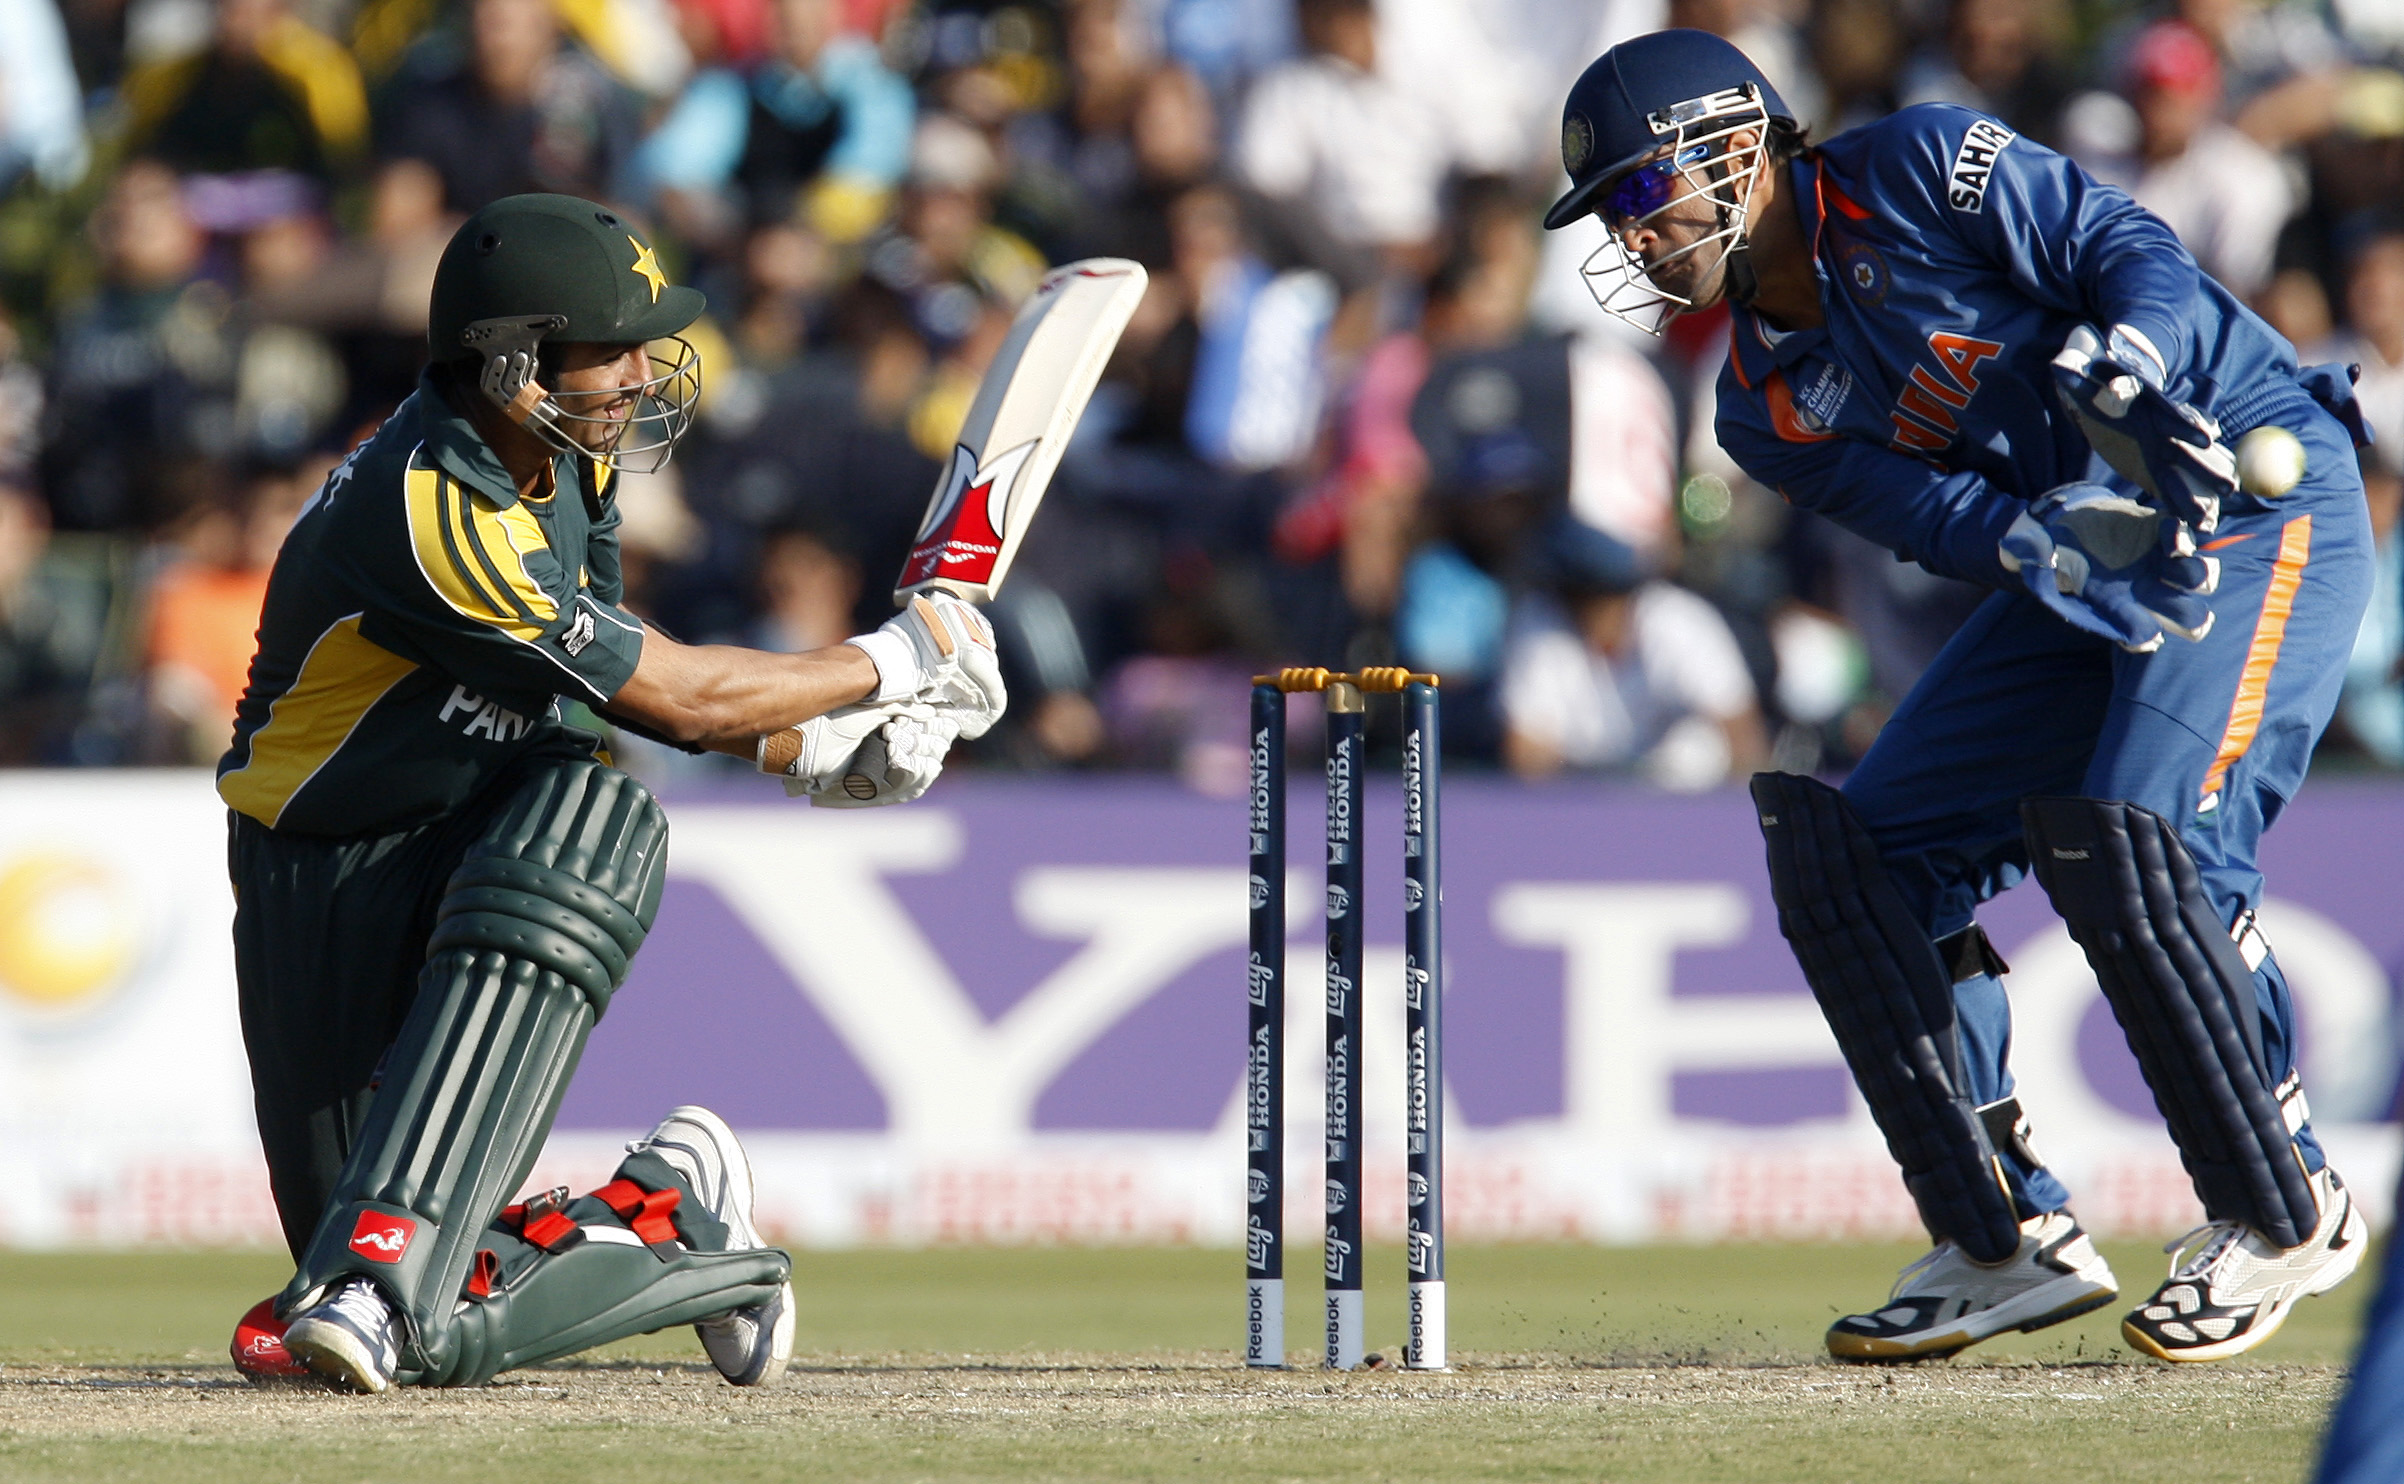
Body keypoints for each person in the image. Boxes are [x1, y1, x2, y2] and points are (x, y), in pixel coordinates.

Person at [1544, 29, 2373, 1363]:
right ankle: (2002, 1239)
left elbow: (2133, 252)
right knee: (1860, 860)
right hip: (2088, 561)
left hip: (2248, 503)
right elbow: (1950, 517)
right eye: (1616, 218)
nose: (1636, 241)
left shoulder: (1921, 163)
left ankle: (2287, 1203)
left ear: (1731, 146)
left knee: (2142, 834)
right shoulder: (1762, 404)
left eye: (1644, 196)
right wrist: (2039, 542)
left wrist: (2126, 361)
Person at [219, 193, 1002, 1392]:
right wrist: (896, 659)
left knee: (596, 816)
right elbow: (680, 700)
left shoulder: (562, 469)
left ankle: (389, 1274)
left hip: (471, 819)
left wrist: (805, 750)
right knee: (392, 1310)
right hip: (316, 867)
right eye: (612, 345)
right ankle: (673, 1217)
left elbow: (597, 685)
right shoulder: (434, 508)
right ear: (514, 362)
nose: (643, 371)